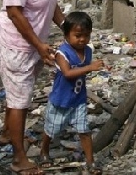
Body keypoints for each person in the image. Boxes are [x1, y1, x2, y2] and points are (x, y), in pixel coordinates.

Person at [0, 0, 65, 175]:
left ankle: (6, 133)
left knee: (17, 94)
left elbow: (51, 2)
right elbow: (15, 13)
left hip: (34, 42)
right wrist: (39, 45)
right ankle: (19, 158)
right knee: (19, 101)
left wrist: (68, 27)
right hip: (17, 44)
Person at [39, 11, 104, 175]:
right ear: (67, 35)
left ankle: (90, 162)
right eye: (78, 35)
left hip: (78, 99)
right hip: (61, 100)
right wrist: (90, 68)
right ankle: (44, 150)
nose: (82, 39)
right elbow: (68, 74)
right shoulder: (62, 53)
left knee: (84, 130)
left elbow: (81, 71)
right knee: (52, 129)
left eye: (86, 35)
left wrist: (89, 67)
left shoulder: (87, 51)